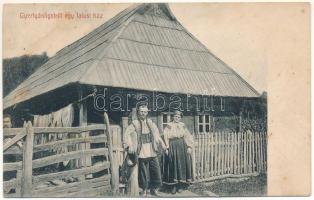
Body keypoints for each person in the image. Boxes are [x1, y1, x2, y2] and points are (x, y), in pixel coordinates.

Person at [124, 102, 167, 196]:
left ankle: (154, 189)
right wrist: (130, 145)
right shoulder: (134, 123)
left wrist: (163, 144)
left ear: (147, 112)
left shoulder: (151, 122)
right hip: (141, 149)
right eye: (141, 111)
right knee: (142, 171)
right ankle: (144, 189)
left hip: (151, 148)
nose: (143, 113)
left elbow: (157, 134)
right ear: (138, 112)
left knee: (155, 169)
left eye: (145, 111)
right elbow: (127, 134)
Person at [163, 110, 194, 194]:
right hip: (173, 145)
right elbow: (165, 136)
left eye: (179, 117)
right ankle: (173, 186)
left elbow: (187, 136)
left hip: (182, 145)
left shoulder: (183, 125)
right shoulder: (169, 125)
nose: (177, 118)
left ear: (181, 118)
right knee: (173, 164)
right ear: (173, 117)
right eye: (175, 116)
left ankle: (180, 185)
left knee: (181, 164)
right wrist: (167, 147)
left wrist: (189, 146)